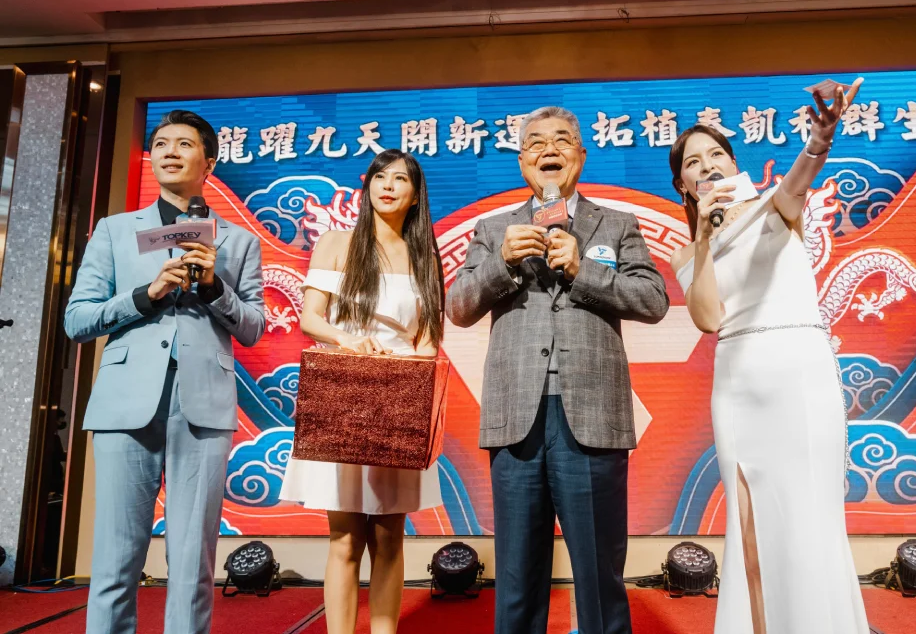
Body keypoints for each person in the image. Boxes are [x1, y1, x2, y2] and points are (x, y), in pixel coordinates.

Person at [446, 106, 669, 634]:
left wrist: (583, 269)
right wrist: (501, 263)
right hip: (516, 417)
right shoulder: (494, 229)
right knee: (517, 576)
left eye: (563, 140)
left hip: (592, 417)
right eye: (537, 142)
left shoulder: (616, 224)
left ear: (580, 156)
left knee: (598, 573)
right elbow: (458, 307)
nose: (550, 149)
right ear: (523, 160)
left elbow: (653, 300)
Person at [670, 80, 870, 634]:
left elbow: (800, 179)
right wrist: (704, 239)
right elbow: (708, 318)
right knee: (750, 525)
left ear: (733, 163)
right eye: (693, 162)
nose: (707, 165)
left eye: (716, 154)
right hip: (737, 385)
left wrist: (820, 140)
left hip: (800, 374)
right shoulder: (688, 251)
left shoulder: (775, 205)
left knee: (809, 519)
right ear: (683, 184)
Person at [65, 110, 266, 634]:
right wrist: (145, 295)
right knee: (115, 562)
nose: (169, 151)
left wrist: (214, 287)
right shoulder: (115, 230)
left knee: (193, 564)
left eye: (184, 144)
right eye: (160, 143)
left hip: (203, 405)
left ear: (209, 162)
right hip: (125, 404)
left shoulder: (238, 241)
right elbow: (77, 320)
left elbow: (252, 328)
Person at [280, 149, 444, 634]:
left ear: (415, 196)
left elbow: (428, 343)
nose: (387, 186)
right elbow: (311, 319)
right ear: (367, 185)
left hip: (400, 401)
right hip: (344, 396)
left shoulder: (423, 255)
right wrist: (347, 340)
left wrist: (403, 368)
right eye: (379, 176)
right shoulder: (336, 242)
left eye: (400, 179)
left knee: (390, 537)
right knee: (345, 537)